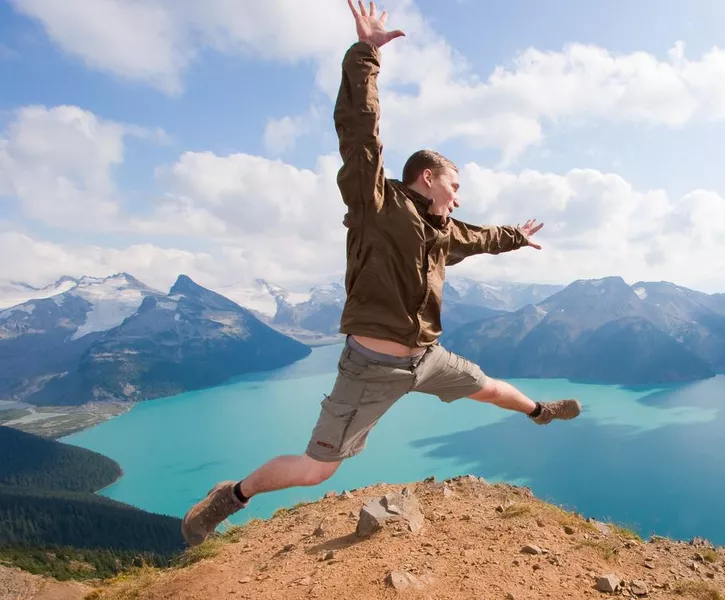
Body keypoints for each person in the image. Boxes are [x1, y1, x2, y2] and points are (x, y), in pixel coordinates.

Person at [180, 0, 581, 547]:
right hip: (369, 369)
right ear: (426, 176)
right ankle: (231, 496)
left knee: (486, 387)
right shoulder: (377, 203)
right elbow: (359, 131)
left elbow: (483, 237)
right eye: (455, 184)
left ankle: (538, 412)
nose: (459, 196)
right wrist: (366, 55)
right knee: (318, 469)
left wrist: (516, 235)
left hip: (426, 357)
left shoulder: (443, 229)